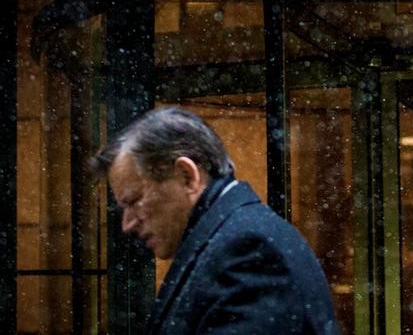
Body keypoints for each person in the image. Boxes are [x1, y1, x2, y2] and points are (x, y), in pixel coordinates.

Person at [90, 106, 339, 334]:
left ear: (187, 176)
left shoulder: (249, 250)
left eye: (134, 201)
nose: (128, 224)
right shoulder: (235, 241)